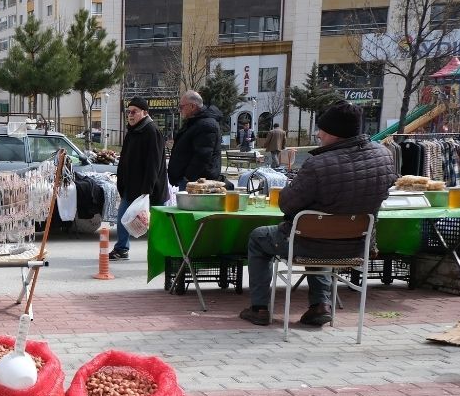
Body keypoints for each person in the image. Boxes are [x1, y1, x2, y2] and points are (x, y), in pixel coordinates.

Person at [238, 101, 397, 328]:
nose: (318, 134)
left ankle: (259, 308)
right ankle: (320, 305)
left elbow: (286, 204)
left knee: (260, 237)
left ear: (334, 133)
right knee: (321, 229)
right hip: (357, 245)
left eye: (322, 129)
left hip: (310, 243)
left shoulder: (318, 164)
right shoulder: (384, 156)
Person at [110, 97, 169, 260]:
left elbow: (154, 164)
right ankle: (122, 249)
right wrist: (121, 183)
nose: (130, 115)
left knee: (156, 224)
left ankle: (162, 253)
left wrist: (147, 190)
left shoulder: (151, 131)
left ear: (145, 112)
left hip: (150, 189)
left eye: (134, 112)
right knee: (123, 218)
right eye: (129, 112)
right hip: (131, 187)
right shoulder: (133, 131)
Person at [168, 90, 225, 188]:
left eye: (181, 107)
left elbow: (203, 155)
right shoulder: (193, 122)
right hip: (188, 180)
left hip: (197, 183)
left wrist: (187, 177)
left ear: (192, 106)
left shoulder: (206, 125)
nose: (179, 110)